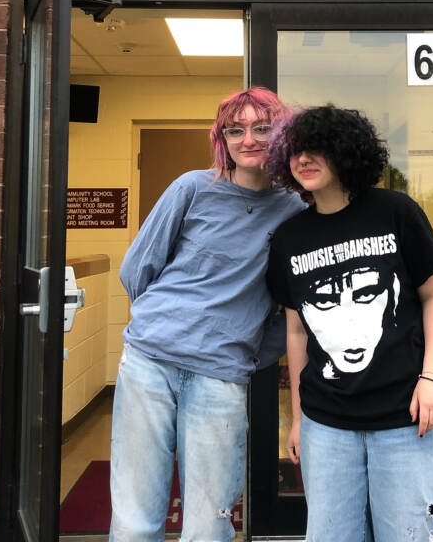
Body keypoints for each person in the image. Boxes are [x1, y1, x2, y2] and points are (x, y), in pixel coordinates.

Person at [109, 87, 305, 542]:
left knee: (211, 521)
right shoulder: (192, 188)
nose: (248, 139)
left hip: (220, 374)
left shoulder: (294, 211)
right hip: (148, 363)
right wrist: (164, 324)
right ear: (222, 139)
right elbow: (137, 269)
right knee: (136, 516)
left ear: (282, 134)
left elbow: (299, 310)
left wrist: (248, 350)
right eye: (235, 130)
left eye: (263, 127)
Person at [265, 105, 433, 542]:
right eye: (294, 152)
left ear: (346, 151)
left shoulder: (395, 212)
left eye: (317, 148)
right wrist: (297, 418)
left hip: (408, 418)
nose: (303, 159)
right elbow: (296, 332)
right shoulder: (290, 237)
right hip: (326, 425)